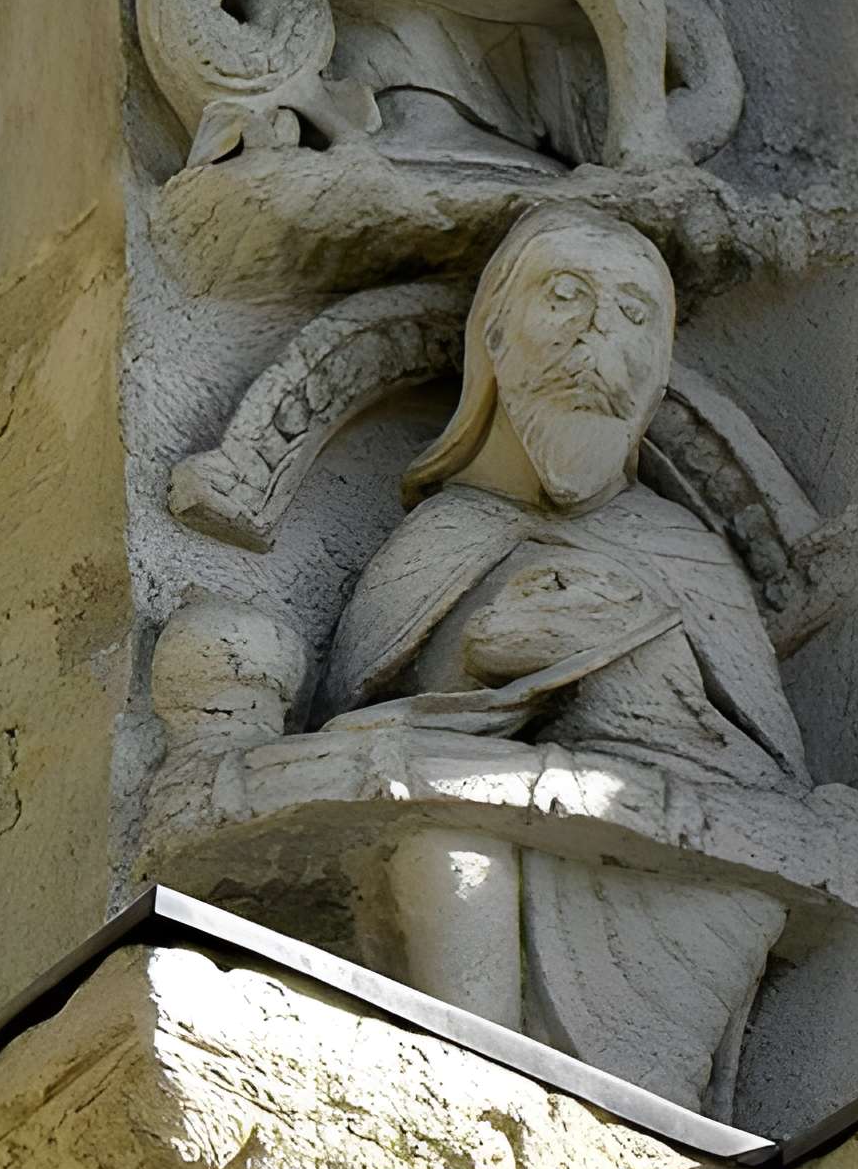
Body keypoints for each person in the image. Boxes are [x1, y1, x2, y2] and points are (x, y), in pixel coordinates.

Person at [319, 204, 808, 1107]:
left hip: (666, 874)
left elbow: (774, 774)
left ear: (658, 371)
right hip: (486, 824)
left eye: (634, 319)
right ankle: (463, 1110)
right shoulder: (442, 538)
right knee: (443, 843)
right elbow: (346, 740)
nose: (599, 344)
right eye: (569, 298)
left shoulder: (681, 550)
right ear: (495, 337)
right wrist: (476, 676)